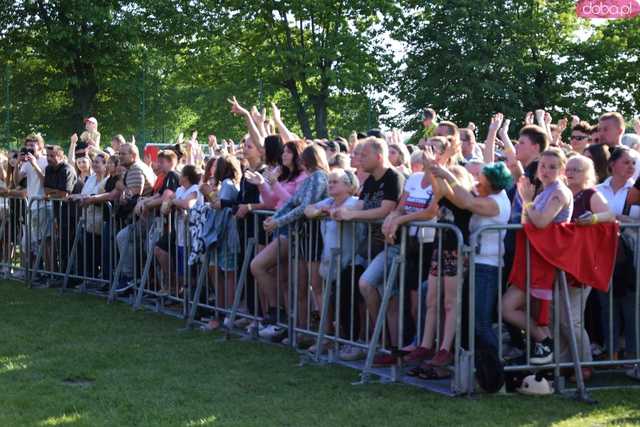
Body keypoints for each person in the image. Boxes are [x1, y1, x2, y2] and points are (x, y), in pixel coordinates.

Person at [332, 137, 404, 365]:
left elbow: (386, 210)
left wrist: (352, 215)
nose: (360, 158)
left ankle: (388, 346)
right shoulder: (371, 181)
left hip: (391, 247)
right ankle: (380, 342)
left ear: (378, 156)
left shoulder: (394, 177)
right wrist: (336, 210)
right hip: (369, 248)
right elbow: (359, 205)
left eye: (364, 155)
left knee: (371, 287)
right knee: (356, 286)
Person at [251, 144, 330, 342]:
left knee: (316, 287)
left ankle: (324, 335)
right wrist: (276, 217)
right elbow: (292, 203)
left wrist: (278, 221)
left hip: (312, 237)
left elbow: (303, 207)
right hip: (301, 237)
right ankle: (300, 331)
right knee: (299, 286)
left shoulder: (319, 177)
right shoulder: (310, 179)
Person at [503, 148, 573, 365]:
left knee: (508, 308)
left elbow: (541, 222)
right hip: (531, 258)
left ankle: (545, 342)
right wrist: (528, 202)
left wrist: (526, 199)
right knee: (531, 313)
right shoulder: (544, 191)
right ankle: (544, 349)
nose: (546, 170)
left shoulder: (559, 192)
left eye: (552, 167)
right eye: (543, 165)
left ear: (562, 170)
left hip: (543, 260)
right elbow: (527, 222)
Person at [564, 154, 615, 380]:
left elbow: (610, 215)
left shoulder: (591, 194)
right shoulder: (563, 193)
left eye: (576, 169)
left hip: (582, 266)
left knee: (573, 318)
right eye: (569, 168)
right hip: (561, 263)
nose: (571, 172)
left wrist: (593, 218)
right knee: (558, 317)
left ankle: (584, 365)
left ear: (586, 174)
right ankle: (566, 362)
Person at [304, 168, 364, 354]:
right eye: (329, 182)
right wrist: (318, 211)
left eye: (334, 182)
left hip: (352, 261)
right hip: (331, 261)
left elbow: (342, 213)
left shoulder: (355, 202)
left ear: (349, 186)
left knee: (348, 302)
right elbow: (308, 209)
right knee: (332, 300)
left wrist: (327, 211)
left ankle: (352, 341)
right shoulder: (328, 201)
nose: (330, 185)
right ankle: (333, 339)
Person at [595, 146, 638, 360]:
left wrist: (625, 219)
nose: (631, 166)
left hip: (632, 257)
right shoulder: (598, 190)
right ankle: (611, 352)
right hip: (604, 255)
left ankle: (632, 354)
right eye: (626, 162)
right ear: (612, 164)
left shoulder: (636, 190)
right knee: (607, 305)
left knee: (631, 306)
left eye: (633, 163)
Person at [155, 165, 203, 296]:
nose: (179, 176)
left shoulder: (195, 189)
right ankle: (181, 297)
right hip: (180, 237)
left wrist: (173, 202)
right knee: (181, 271)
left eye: (181, 174)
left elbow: (188, 204)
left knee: (190, 273)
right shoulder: (180, 189)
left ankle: (191, 300)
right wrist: (171, 204)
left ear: (186, 177)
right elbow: (165, 206)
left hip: (191, 237)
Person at [114, 143, 156, 290]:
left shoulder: (136, 169)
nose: (119, 157)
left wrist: (123, 192)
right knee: (130, 241)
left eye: (122, 154)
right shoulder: (135, 168)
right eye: (119, 154)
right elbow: (120, 186)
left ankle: (131, 278)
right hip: (145, 216)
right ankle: (136, 278)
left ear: (133, 155)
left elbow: (131, 195)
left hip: (148, 217)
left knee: (124, 237)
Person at [43, 145, 78, 279]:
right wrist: (54, 192)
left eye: (52, 156)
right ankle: (62, 275)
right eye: (47, 155)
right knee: (61, 245)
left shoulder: (67, 169)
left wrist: (52, 193)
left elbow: (64, 193)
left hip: (72, 213)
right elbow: (45, 190)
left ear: (61, 156)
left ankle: (70, 276)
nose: (49, 158)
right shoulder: (48, 169)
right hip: (59, 213)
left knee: (69, 245)